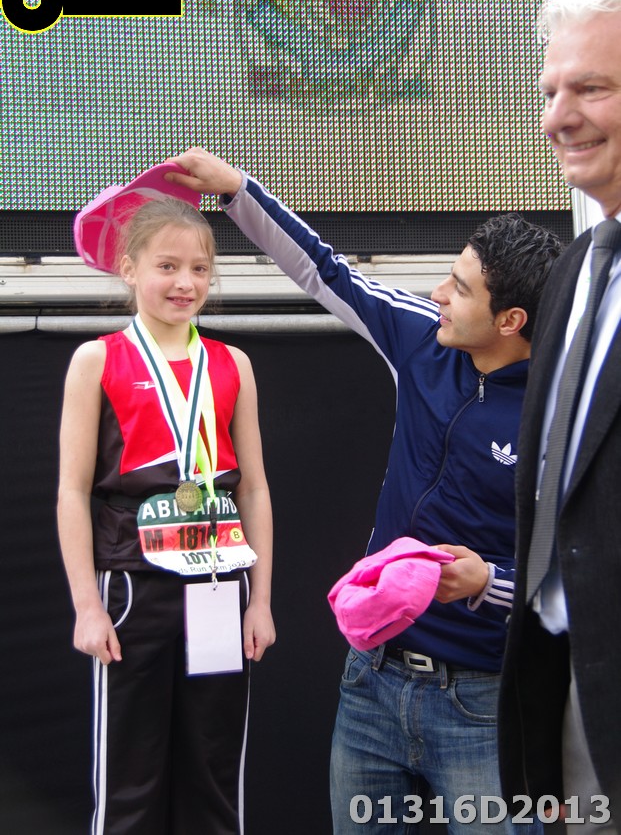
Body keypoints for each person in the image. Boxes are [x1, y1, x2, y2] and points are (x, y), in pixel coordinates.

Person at [164, 148, 561, 834]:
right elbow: (325, 270)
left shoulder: (562, 412)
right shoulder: (423, 340)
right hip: (371, 681)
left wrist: (486, 584)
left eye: (460, 288)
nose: (438, 293)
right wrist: (235, 190)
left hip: (485, 704)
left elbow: (576, 574)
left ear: (510, 321)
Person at [57, 186, 275, 835]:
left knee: (213, 775)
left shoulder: (232, 364)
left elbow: (254, 489)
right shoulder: (97, 360)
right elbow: (72, 491)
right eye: (168, 266)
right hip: (133, 587)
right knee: (130, 780)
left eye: (200, 268)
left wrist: (260, 600)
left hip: (220, 586)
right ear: (129, 268)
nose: (186, 283)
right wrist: (87, 606)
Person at [493, 0, 621, 832]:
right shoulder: (576, 267)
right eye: (550, 91)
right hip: (567, 691)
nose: (556, 118)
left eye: (591, 89)